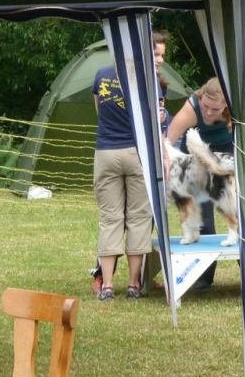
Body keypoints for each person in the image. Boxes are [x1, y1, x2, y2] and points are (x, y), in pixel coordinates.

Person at [91, 31, 166, 300]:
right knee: (138, 219)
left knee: (110, 219)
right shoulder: (149, 79)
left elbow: (99, 111)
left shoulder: (101, 75)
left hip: (106, 152)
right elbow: (156, 119)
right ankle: (134, 285)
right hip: (137, 153)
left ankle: (108, 285)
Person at [166, 77, 232, 290]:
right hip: (196, 160)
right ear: (200, 97)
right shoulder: (191, 108)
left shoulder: (237, 108)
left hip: (229, 154)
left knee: (239, 211)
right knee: (204, 218)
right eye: (205, 106)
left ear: (226, 104)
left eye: (215, 109)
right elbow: (166, 142)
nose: (209, 112)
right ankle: (203, 276)